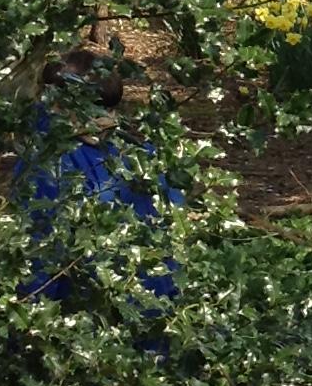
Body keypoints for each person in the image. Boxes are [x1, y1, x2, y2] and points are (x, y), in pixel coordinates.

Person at [13, 49, 185, 349]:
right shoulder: (147, 156)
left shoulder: (51, 166)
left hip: (88, 333)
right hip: (158, 322)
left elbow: (40, 259)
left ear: (59, 103)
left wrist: (23, 339)